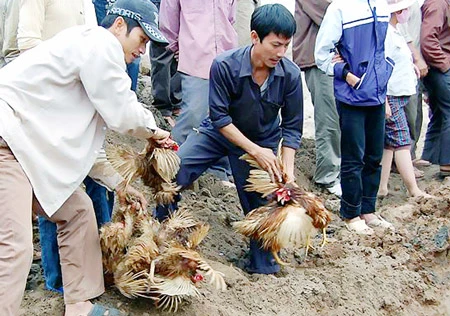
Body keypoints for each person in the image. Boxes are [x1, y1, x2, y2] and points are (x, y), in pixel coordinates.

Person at [0, 0, 171, 315]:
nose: (142, 51)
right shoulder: (98, 43)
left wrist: (119, 183)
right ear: (119, 25)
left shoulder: (91, 61)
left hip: (25, 150)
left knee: (78, 211)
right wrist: (153, 131)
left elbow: (80, 143)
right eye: (142, 40)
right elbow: (123, 112)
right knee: (14, 246)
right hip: (6, 143)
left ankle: (79, 305)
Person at [156, 4, 302, 274]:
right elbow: (220, 118)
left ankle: (263, 268)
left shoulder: (290, 75)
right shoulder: (225, 65)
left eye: (286, 46)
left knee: (262, 208)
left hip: (262, 140)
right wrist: (255, 151)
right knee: (173, 172)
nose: (281, 53)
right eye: (275, 45)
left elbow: (292, 129)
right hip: (218, 134)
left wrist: (287, 174)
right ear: (255, 37)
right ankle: (161, 239)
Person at [15, 0, 110, 294]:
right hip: (47, 105)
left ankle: (97, 274)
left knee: (96, 187)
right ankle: (57, 281)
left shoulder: (88, 5)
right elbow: (27, 43)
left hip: (80, 101)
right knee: (53, 191)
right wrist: (64, 79)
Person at [315, 0, 394, 235]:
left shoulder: (382, 6)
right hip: (352, 95)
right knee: (353, 156)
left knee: (374, 155)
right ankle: (350, 212)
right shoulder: (340, 8)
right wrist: (346, 74)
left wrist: (384, 82)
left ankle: (368, 209)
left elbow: (385, 50)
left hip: (377, 94)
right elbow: (322, 53)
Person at [159, 0, 238, 183]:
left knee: (226, 115)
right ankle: (168, 166)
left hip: (226, 57)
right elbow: (168, 21)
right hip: (195, 56)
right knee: (193, 114)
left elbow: (231, 18)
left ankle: (219, 172)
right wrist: (177, 48)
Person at [379, 0, 430, 198]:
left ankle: (382, 187)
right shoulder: (387, 35)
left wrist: (411, 67)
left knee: (389, 144)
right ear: (399, 11)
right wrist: (383, 99)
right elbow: (381, 67)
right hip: (391, 95)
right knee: (401, 141)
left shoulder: (395, 31)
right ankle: (414, 189)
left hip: (398, 94)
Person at [292, 0, 341, 197]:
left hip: (342, 59)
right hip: (320, 59)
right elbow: (335, 16)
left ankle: (340, 172)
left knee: (343, 118)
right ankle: (328, 176)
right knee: (329, 119)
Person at [420, 0, 450, 177]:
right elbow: (427, 40)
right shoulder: (438, 4)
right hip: (440, 68)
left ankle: (430, 158)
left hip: (439, 66)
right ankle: (447, 165)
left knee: (439, 114)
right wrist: (445, 64)